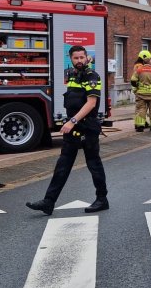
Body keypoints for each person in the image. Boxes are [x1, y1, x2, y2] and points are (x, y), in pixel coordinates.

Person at [27, 45, 109, 215]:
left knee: (94, 164)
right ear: (70, 59)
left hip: (88, 127)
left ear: (87, 58)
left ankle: (102, 199)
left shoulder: (92, 76)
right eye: (75, 58)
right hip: (74, 129)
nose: (79, 61)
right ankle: (49, 202)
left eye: (82, 57)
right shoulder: (72, 75)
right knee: (62, 166)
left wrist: (72, 121)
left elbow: (91, 103)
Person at [130, 50, 151, 132]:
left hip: (141, 93)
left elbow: (133, 80)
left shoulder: (138, 69)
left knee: (141, 109)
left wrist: (137, 87)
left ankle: (140, 126)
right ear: (149, 61)